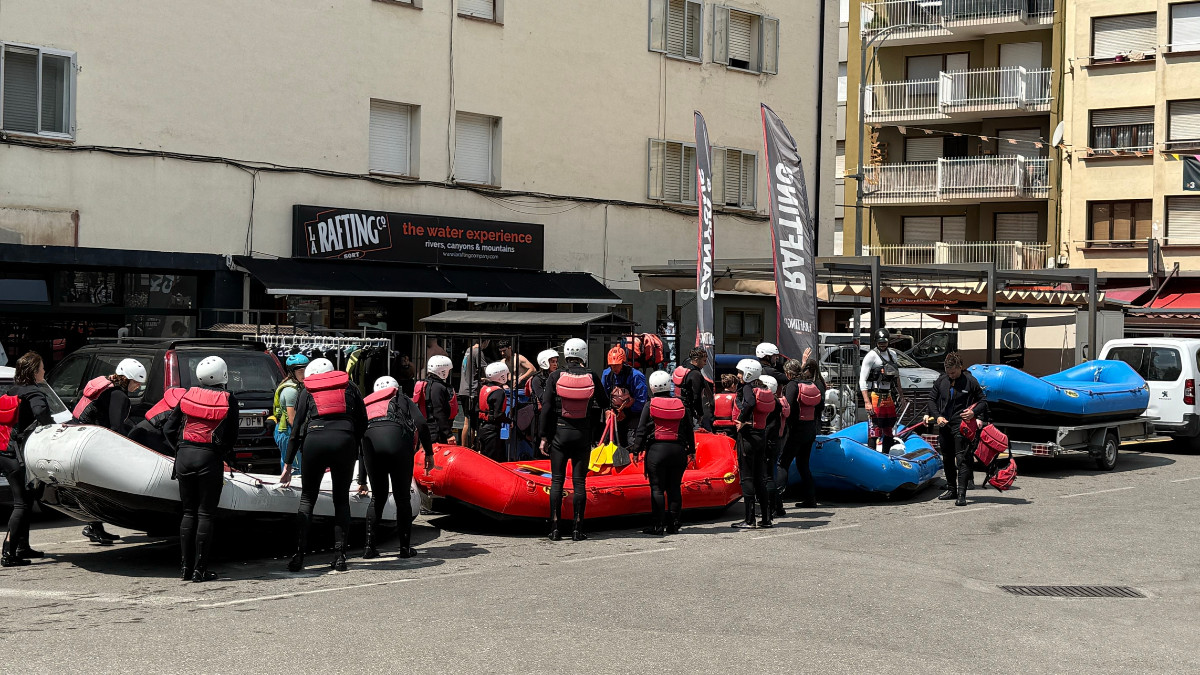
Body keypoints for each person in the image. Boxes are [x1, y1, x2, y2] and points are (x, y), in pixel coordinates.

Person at [280, 358, 367, 573]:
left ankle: (299, 556)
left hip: (315, 440)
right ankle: (340, 557)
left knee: (308, 498)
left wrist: (288, 464)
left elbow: (296, 427)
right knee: (340, 500)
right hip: (344, 440)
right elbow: (363, 421)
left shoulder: (307, 391)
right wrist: (351, 440)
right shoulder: (350, 386)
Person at [162, 356, 239, 582]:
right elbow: (232, 437)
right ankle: (200, 569)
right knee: (205, 514)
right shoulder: (228, 398)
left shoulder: (187, 394)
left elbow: (168, 428)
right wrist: (221, 453)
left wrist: (179, 448)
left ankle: (185, 568)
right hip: (209, 459)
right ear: (223, 375)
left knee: (188, 512)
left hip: (184, 457)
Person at [537, 338, 609, 541]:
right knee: (579, 483)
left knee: (557, 481)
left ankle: (555, 528)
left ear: (566, 355)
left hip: (560, 434)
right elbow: (604, 402)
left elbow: (547, 408)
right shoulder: (592, 375)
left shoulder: (555, 376)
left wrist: (544, 437)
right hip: (582, 435)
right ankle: (578, 529)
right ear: (583, 355)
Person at [73, 357, 147, 545]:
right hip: (92, 442)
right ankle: (93, 526)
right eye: (137, 382)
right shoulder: (119, 395)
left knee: (94, 486)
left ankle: (95, 527)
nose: (138, 387)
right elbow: (116, 427)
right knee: (99, 486)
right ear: (128, 379)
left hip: (80, 436)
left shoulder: (107, 387)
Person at [359, 376, 434, 559]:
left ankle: (369, 547)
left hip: (371, 445)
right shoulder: (402, 398)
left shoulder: (367, 404)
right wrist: (429, 453)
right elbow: (422, 424)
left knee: (378, 497)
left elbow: (362, 445)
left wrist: (362, 480)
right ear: (396, 388)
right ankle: (404, 548)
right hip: (397, 443)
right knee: (402, 497)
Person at [1, 352, 55, 567]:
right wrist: (47, 425)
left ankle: (23, 546)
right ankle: (8, 552)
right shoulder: (35, 393)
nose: (44, 371)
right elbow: (41, 414)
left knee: (28, 497)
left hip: (4, 451)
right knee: (21, 503)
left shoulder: (13, 391)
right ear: (34, 372)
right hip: (18, 456)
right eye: (42, 367)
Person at [631, 370, 695, 536]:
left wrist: (636, 450)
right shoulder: (682, 404)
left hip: (656, 451)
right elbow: (689, 430)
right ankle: (674, 524)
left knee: (657, 489)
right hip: (678, 451)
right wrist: (692, 450)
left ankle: (657, 526)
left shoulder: (650, 404)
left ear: (652, 386)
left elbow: (641, 430)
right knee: (674, 488)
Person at [926, 352, 988, 507]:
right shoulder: (942, 380)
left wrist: (974, 412)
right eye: (948, 373)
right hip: (944, 424)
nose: (951, 375)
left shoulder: (970, 381)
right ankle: (951, 489)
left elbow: (983, 401)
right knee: (946, 457)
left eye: (953, 372)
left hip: (961, 424)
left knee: (962, 459)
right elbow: (932, 400)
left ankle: (962, 494)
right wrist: (937, 416)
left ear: (960, 367)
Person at [732, 359, 777, 530]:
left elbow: (750, 403)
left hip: (748, 437)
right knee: (760, 478)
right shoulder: (764, 388)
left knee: (747, 478)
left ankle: (749, 520)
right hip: (761, 435)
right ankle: (766, 518)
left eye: (740, 373)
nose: (738, 376)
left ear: (748, 373)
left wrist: (741, 420)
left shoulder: (748, 388)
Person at [782, 358, 825, 510]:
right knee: (803, 465)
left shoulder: (792, 385)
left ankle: (777, 502)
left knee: (783, 464)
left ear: (788, 373)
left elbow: (787, 407)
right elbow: (820, 406)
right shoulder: (811, 384)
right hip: (810, 429)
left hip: (796, 430)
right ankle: (810, 498)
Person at [860, 328, 905, 455]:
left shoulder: (893, 355)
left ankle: (885, 455)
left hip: (888, 395)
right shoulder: (871, 356)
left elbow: (896, 377)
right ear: (876, 342)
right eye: (880, 342)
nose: (882, 345)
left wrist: (901, 396)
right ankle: (872, 456)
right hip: (875, 395)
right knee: (875, 429)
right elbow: (862, 380)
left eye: (884, 342)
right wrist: (867, 402)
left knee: (889, 428)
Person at [601, 346, 648, 446]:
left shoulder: (636, 376)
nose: (614, 368)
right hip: (614, 413)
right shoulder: (606, 375)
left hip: (632, 413)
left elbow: (641, 400)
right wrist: (607, 411)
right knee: (607, 443)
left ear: (623, 362)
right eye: (612, 366)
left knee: (632, 442)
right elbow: (603, 397)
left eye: (617, 365)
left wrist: (626, 412)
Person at [272, 354, 309, 474]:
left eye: (306, 370)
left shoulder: (299, 386)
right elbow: (292, 419)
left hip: (290, 431)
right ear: (292, 372)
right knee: (294, 468)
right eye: (300, 371)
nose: (304, 374)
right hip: (288, 432)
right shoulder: (291, 391)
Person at [757, 374, 786, 520]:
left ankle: (772, 508)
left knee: (768, 477)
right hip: (774, 442)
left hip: (769, 443)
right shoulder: (777, 402)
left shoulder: (770, 404)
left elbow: (767, 427)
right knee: (771, 475)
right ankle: (778, 507)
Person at [128, 387, 186, 455]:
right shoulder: (178, 408)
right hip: (150, 435)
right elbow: (168, 430)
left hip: (142, 428)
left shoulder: (174, 396)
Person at [417, 354, 459, 444]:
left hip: (432, 428)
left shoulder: (430, 384)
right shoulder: (437, 388)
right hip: (436, 431)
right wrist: (448, 434)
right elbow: (438, 411)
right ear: (442, 371)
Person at [475, 362, 512, 462]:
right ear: (501, 376)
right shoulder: (499, 392)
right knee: (494, 459)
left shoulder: (484, 388)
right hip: (492, 430)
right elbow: (498, 414)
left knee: (485, 457)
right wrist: (509, 421)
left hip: (482, 428)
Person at [671, 347, 714, 431]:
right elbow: (696, 397)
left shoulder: (685, 364)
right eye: (704, 361)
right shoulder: (695, 374)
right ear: (696, 360)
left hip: (676, 404)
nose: (705, 364)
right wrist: (700, 414)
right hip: (686, 409)